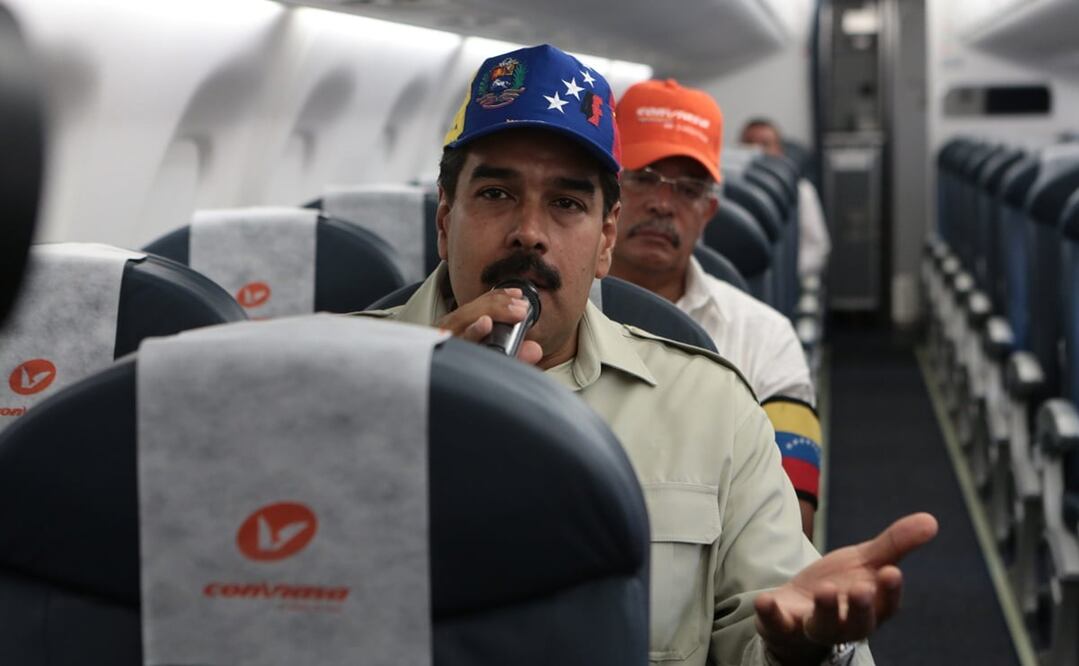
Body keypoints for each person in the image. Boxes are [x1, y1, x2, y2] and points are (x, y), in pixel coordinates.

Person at [364, 44, 936, 666]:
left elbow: (768, 611)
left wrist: (796, 651)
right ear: (445, 219)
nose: (530, 231)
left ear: (604, 239)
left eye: (566, 203)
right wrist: (411, 400)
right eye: (498, 193)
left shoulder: (713, 407)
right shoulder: (335, 380)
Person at [609, 80, 821, 538]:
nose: (662, 203)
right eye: (643, 177)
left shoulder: (765, 336)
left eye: (687, 190)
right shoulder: (543, 321)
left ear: (709, 211)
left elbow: (791, 517)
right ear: (608, 190)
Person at [741, 118, 831, 280]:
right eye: (748, 143)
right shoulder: (731, 194)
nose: (756, 150)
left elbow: (818, 248)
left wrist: (783, 272)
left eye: (765, 144)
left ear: (779, 150)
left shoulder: (802, 191)